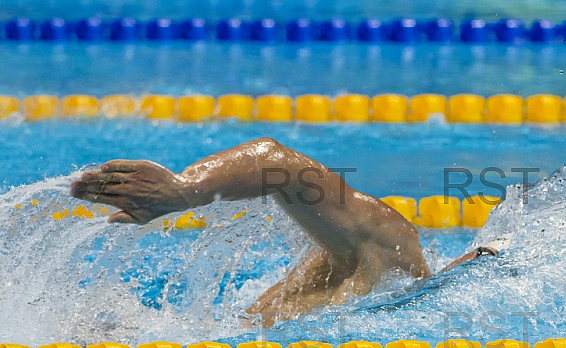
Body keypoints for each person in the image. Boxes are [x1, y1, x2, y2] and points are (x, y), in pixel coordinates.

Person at [71, 137, 497, 326]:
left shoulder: (397, 303)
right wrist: (186, 191)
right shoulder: (393, 253)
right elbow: (279, 164)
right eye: (490, 261)